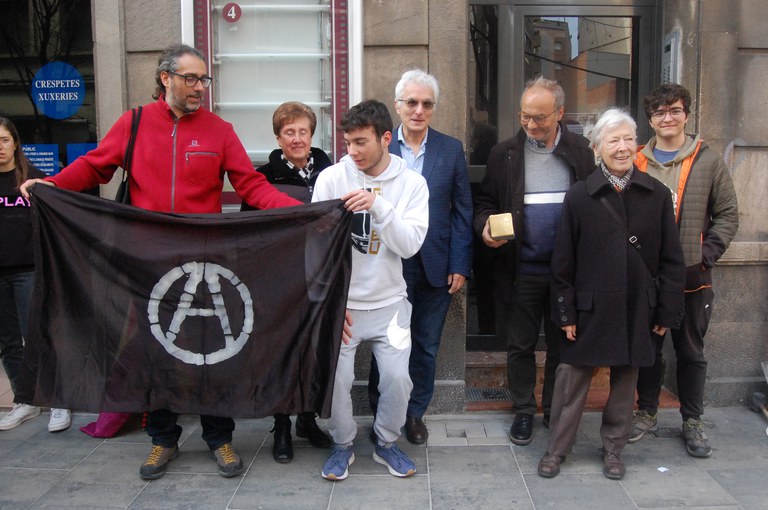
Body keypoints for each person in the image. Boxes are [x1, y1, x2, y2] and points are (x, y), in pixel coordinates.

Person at [20, 44, 301, 480]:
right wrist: (51, 185)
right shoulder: (133, 123)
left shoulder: (219, 130)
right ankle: (162, 440)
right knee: (154, 354)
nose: (200, 88)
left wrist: (296, 212)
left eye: (204, 80)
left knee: (211, 354)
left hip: (203, 261)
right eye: (191, 79)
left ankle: (219, 438)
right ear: (165, 78)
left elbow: (250, 185)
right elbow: (95, 166)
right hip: (144, 261)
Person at [537, 108, 685, 480]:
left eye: (627, 139)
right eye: (612, 140)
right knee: (571, 380)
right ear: (596, 147)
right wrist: (565, 313)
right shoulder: (579, 197)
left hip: (637, 306)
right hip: (589, 308)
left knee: (625, 383)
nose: (621, 148)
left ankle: (613, 450)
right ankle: (557, 449)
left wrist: (666, 313)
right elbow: (563, 262)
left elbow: (671, 259)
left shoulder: (656, 196)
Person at [473, 77, 595, 445]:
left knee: (562, 347)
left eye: (539, 118)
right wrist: (484, 229)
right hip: (519, 269)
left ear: (560, 113)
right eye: (525, 116)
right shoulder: (504, 153)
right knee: (520, 346)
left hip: (566, 274)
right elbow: (485, 206)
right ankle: (524, 411)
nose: (530, 125)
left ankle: (554, 411)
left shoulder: (581, 151)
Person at [312, 99, 428, 481]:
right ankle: (342, 444)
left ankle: (386, 443)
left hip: (391, 303)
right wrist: (331, 300)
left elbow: (410, 245)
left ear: (385, 138)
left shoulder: (412, 183)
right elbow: (317, 246)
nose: (353, 151)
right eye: (348, 142)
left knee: (398, 379)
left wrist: (379, 206)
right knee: (338, 380)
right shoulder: (332, 178)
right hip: (342, 305)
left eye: (361, 142)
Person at [629, 84, 739, 457]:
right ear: (651, 120)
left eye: (674, 110)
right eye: (659, 112)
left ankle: (692, 420)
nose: (667, 118)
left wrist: (707, 254)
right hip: (647, 275)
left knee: (691, 350)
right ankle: (645, 412)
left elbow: (728, 213)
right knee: (648, 349)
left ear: (686, 114)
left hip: (693, 275)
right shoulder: (637, 159)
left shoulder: (707, 159)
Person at [368, 70, 473, 444]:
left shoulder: (450, 149)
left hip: (435, 267)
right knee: (389, 345)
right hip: (388, 266)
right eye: (411, 102)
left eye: (426, 104)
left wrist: (460, 263)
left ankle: (414, 414)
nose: (418, 110)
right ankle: (382, 415)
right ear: (398, 106)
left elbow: (462, 211)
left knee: (425, 346)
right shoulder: (379, 148)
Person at [242, 101, 333, 463]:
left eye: (303, 131)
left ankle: (307, 421)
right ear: (278, 137)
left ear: (312, 135)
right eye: (289, 132)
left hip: (320, 274)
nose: (297, 138)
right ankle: (281, 426)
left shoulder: (330, 168)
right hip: (279, 277)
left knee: (315, 348)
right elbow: (251, 230)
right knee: (282, 350)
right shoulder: (262, 176)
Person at [0, 118, 72, 433]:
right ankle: (24, 400)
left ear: (15, 143)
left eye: (3, 140)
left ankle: (58, 400)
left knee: (42, 335)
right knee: (8, 341)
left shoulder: (35, 179)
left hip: (30, 270)